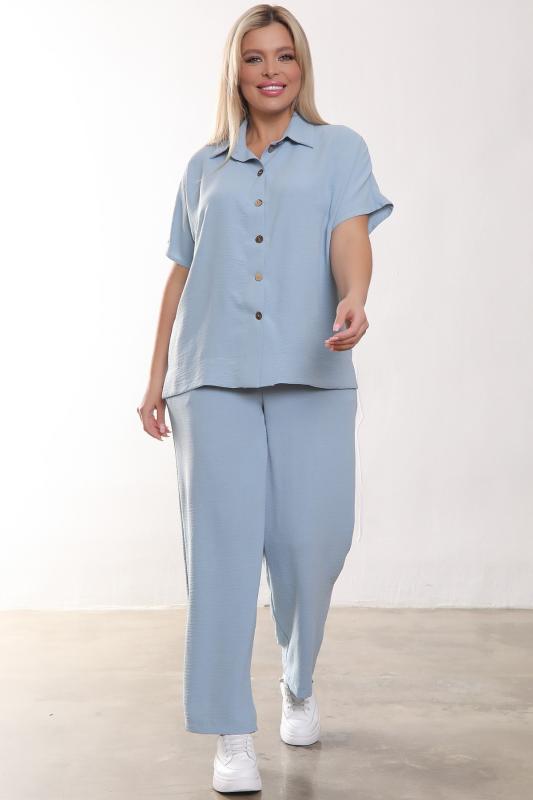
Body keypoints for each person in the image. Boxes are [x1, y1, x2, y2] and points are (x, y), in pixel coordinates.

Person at [138, 4, 393, 793]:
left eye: (284, 56)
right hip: (209, 375)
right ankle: (230, 732)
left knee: (313, 546)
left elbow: (350, 235)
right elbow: (181, 272)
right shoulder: (202, 167)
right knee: (218, 556)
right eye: (254, 57)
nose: (271, 70)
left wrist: (353, 296)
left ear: (301, 67)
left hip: (312, 372)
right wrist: (155, 375)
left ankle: (297, 679)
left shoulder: (339, 150)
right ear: (236, 71)